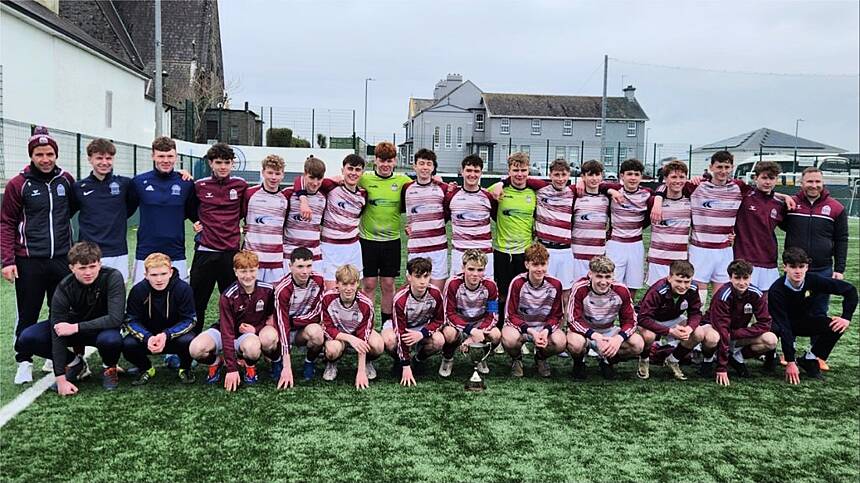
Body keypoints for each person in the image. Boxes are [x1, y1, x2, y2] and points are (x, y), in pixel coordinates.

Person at [1, 127, 75, 384]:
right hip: (29, 260)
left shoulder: (66, 180)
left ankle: (53, 356)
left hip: (61, 259)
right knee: (27, 312)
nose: (45, 159)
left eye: (50, 153)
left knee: (60, 312)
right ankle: (24, 360)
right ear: (31, 155)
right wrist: (8, 261)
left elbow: (73, 210)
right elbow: (6, 223)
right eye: (40, 154)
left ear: (56, 154)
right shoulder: (18, 184)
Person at [14, 242, 125, 394]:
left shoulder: (113, 277)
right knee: (27, 338)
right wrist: (60, 379)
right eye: (82, 268)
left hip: (101, 330)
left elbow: (115, 319)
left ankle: (109, 367)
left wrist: (75, 327)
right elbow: (57, 331)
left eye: (92, 266)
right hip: (73, 332)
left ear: (100, 264)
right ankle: (75, 363)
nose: (88, 272)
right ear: (72, 268)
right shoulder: (64, 287)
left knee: (112, 340)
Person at [189, 251, 279, 391]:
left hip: (249, 335)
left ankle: (250, 366)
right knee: (196, 349)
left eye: (252, 270)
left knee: (253, 348)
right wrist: (232, 369)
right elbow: (226, 331)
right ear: (235, 271)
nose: (248, 276)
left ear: (258, 269)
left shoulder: (267, 290)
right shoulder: (228, 295)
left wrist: (256, 329)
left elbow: (271, 317)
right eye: (243, 271)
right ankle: (217, 362)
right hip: (225, 331)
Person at [768, 247, 856, 383]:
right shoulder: (776, 290)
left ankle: (810, 358)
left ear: (807, 267)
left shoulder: (813, 280)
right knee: (774, 330)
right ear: (785, 267)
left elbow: (850, 290)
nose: (798, 271)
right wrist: (790, 361)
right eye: (793, 267)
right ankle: (770, 358)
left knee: (836, 325)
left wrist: (846, 317)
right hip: (780, 324)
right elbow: (784, 326)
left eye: (801, 266)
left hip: (802, 322)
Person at [189, 143, 248, 333]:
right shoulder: (199, 185)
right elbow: (189, 207)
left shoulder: (240, 186)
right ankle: (191, 344)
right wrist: (196, 221)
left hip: (230, 253)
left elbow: (244, 211)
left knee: (232, 302)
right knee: (197, 301)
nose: (223, 166)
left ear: (232, 164)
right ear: (211, 163)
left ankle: (231, 342)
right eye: (218, 162)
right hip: (205, 251)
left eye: (227, 162)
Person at [358, 141, 412, 330]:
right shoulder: (364, 179)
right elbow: (336, 180)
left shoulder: (403, 180)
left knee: (389, 284)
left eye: (389, 160)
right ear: (375, 160)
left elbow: (425, 187)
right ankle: (368, 323)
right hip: (367, 241)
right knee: (370, 284)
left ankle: (388, 323)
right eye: (381, 160)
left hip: (391, 242)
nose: (385, 164)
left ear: (395, 161)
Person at [636, 260, 719, 381]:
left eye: (687, 282)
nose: (683, 286)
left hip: (673, 318)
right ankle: (644, 359)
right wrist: (670, 331)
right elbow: (643, 318)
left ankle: (673, 360)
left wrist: (689, 328)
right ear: (669, 278)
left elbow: (695, 312)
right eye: (679, 281)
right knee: (649, 336)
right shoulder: (658, 290)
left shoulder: (693, 288)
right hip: (650, 318)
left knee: (699, 333)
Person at [122, 253, 197, 385]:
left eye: (163, 274)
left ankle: (185, 368)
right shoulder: (138, 290)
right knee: (127, 344)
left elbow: (190, 320)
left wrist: (166, 335)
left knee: (190, 341)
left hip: (173, 337)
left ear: (170, 272)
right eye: (154, 275)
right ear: (146, 275)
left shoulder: (183, 289)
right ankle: (146, 368)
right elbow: (131, 320)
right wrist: (147, 337)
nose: (159, 279)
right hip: (148, 338)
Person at [782, 167, 849, 315]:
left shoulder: (836, 208)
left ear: (823, 183)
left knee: (819, 312)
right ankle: (789, 339)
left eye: (818, 181)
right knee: (789, 311)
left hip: (822, 269)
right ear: (801, 183)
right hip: (795, 268)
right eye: (810, 181)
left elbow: (841, 239)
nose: (814, 185)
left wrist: (839, 269)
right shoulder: (790, 204)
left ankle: (817, 339)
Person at [129, 136, 195, 283]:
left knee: (178, 298)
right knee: (141, 298)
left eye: (170, 156)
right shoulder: (138, 182)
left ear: (176, 157)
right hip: (145, 251)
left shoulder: (186, 183)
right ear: (153, 156)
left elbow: (193, 213)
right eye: (161, 156)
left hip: (176, 252)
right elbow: (126, 210)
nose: (166, 160)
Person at [567, 256, 644, 380]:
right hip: (585, 332)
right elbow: (573, 319)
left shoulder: (621, 290)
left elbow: (631, 321)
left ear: (613, 276)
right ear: (590, 274)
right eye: (599, 276)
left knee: (638, 344)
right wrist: (595, 336)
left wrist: (618, 339)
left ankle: (608, 360)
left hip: (608, 330)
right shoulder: (580, 288)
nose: (603, 282)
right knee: (575, 344)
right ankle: (580, 362)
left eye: (607, 277)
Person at [297, 154, 368, 289]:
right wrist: (303, 200)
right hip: (330, 247)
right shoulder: (330, 187)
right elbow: (301, 180)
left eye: (357, 170)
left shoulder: (364, 195)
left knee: (354, 290)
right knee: (330, 291)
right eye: (350, 169)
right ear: (342, 171)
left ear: (362, 173)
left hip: (353, 248)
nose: (353, 173)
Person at [71, 138, 136, 282]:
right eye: (99, 158)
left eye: (109, 158)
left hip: (118, 251)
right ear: (90, 159)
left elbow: (129, 209)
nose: (104, 162)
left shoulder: (124, 184)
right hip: (89, 253)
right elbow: (68, 212)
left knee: (117, 296)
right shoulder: (79, 187)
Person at [703, 259, 777, 386]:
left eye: (745, 278)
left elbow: (765, 323)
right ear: (730, 278)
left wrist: (739, 333)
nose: (742, 282)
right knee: (712, 338)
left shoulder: (756, 294)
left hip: (734, 333)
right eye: (737, 278)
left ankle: (736, 357)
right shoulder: (723, 295)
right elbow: (722, 329)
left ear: (750, 277)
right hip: (715, 329)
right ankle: (708, 359)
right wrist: (722, 368)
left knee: (771, 340)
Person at [501, 243, 566, 378]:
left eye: (543, 264)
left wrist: (545, 331)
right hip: (522, 328)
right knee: (509, 338)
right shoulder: (517, 283)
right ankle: (517, 359)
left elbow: (557, 315)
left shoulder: (555, 284)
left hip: (543, 328)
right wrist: (530, 331)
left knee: (560, 342)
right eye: (535, 265)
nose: (540, 269)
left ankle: (540, 358)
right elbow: (510, 315)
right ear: (527, 265)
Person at [382, 257, 445, 386]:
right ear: (409, 277)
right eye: (418, 276)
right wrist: (405, 365)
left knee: (439, 340)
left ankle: (418, 360)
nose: (422, 281)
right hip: (399, 326)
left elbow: (439, 320)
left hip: (421, 327)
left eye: (426, 276)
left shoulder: (436, 294)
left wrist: (422, 333)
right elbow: (400, 331)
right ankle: (401, 360)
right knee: (389, 340)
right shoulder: (400, 298)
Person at [491, 152, 537, 326]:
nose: (519, 174)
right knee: (497, 294)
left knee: (522, 294)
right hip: (502, 252)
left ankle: (519, 329)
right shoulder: (499, 191)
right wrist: (500, 183)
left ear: (528, 171)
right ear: (509, 171)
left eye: (523, 170)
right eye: (515, 170)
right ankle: (496, 325)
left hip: (524, 253)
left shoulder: (534, 193)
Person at [320, 264, 384, 389]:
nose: (348, 288)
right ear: (337, 284)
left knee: (378, 345)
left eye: (352, 284)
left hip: (359, 336)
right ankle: (332, 363)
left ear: (357, 284)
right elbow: (327, 328)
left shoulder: (366, 304)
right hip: (339, 337)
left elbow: (364, 335)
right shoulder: (327, 298)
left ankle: (366, 362)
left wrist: (360, 372)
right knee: (332, 350)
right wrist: (350, 339)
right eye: (344, 284)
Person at [439, 249, 500, 377]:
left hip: (479, 324)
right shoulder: (453, 284)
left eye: (480, 270)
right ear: (463, 267)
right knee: (449, 333)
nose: (475, 274)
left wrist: (477, 334)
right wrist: (470, 331)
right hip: (458, 324)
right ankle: (448, 357)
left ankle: (480, 357)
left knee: (496, 334)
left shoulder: (491, 286)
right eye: (471, 269)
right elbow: (449, 314)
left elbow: (492, 315)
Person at [601, 158, 653, 298]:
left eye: (637, 174)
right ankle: (609, 316)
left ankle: (627, 317)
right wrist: (612, 191)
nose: (633, 178)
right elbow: (599, 185)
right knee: (611, 283)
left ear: (641, 177)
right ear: (621, 176)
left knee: (633, 285)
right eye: (629, 174)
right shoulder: (613, 191)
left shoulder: (647, 194)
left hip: (636, 245)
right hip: (615, 244)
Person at [733, 161, 788, 292]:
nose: (767, 182)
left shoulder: (780, 204)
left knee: (766, 303)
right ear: (755, 178)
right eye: (764, 177)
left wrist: (785, 197)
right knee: (741, 301)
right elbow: (727, 182)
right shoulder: (744, 196)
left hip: (768, 259)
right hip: (744, 258)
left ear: (776, 180)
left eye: (771, 178)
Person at [274, 247, 326, 382]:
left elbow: (317, 314)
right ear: (290, 266)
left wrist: (293, 322)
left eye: (309, 266)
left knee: (317, 333)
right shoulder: (283, 289)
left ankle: (309, 362)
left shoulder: (318, 281)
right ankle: (277, 362)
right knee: (268, 338)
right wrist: (287, 366)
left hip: (301, 330)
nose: (305, 271)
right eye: (300, 266)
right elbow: (282, 324)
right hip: (282, 331)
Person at [403, 149, 449, 290]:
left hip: (438, 248)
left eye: (429, 164)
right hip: (416, 247)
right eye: (421, 163)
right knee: (415, 292)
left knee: (437, 293)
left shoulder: (443, 188)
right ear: (414, 166)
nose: (425, 167)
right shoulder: (406, 188)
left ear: (433, 167)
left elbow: (447, 213)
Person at [444, 155, 497, 278]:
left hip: (484, 254)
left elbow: (499, 220)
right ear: (462, 172)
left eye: (476, 171)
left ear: (481, 173)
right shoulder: (451, 196)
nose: (472, 175)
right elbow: (440, 220)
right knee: (457, 291)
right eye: (468, 170)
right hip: (460, 253)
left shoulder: (488, 196)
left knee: (486, 292)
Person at [242, 154, 290, 283]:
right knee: (251, 300)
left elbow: (284, 226)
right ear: (263, 172)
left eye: (277, 173)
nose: (273, 177)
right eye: (270, 173)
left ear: (283, 175)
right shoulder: (250, 194)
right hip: (252, 259)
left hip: (275, 260)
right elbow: (239, 217)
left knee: (273, 300)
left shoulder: (285, 198)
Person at [646, 160, 692, 286]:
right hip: (658, 260)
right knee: (657, 296)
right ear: (665, 179)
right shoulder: (653, 202)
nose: (678, 181)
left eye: (682, 177)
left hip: (680, 261)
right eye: (673, 177)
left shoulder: (690, 203)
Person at [283, 156, 327, 272]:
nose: (315, 183)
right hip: (290, 255)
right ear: (304, 174)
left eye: (319, 178)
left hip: (314, 257)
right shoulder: (288, 194)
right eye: (311, 178)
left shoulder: (324, 197)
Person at [570, 160, 610, 282]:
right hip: (577, 254)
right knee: (576, 289)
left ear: (602, 176)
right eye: (590, 175)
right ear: (583, 177)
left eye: (597, 175)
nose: (594, 178)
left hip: (598, 255)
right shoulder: (575, 196)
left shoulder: (607, 198)